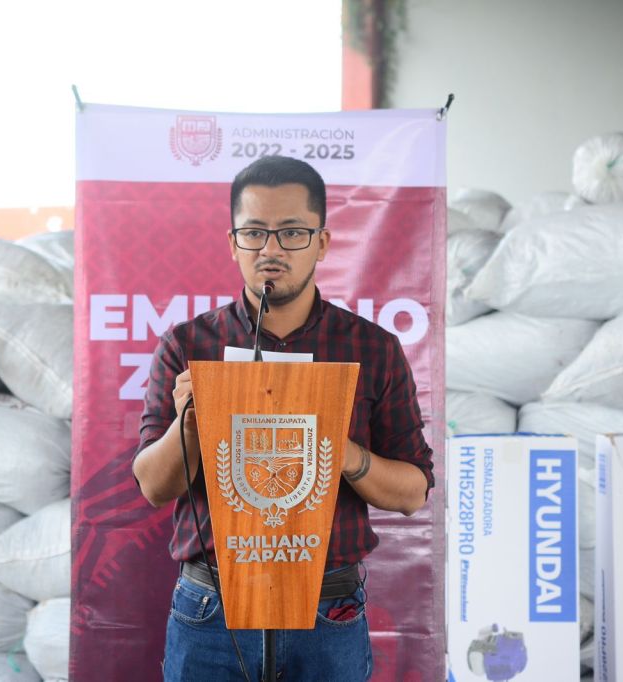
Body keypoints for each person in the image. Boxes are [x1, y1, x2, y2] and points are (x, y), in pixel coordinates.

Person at [133, 155, 434, 682]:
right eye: (254, 233)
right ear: (233, 244)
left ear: (322, 241)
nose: (271, 250)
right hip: (211, 607)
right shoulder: (188, 345)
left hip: (328, 607)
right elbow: (154, 488)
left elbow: (412, 492)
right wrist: (190, 424)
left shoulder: (372, 348)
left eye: (292, 233)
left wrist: (341, 451)